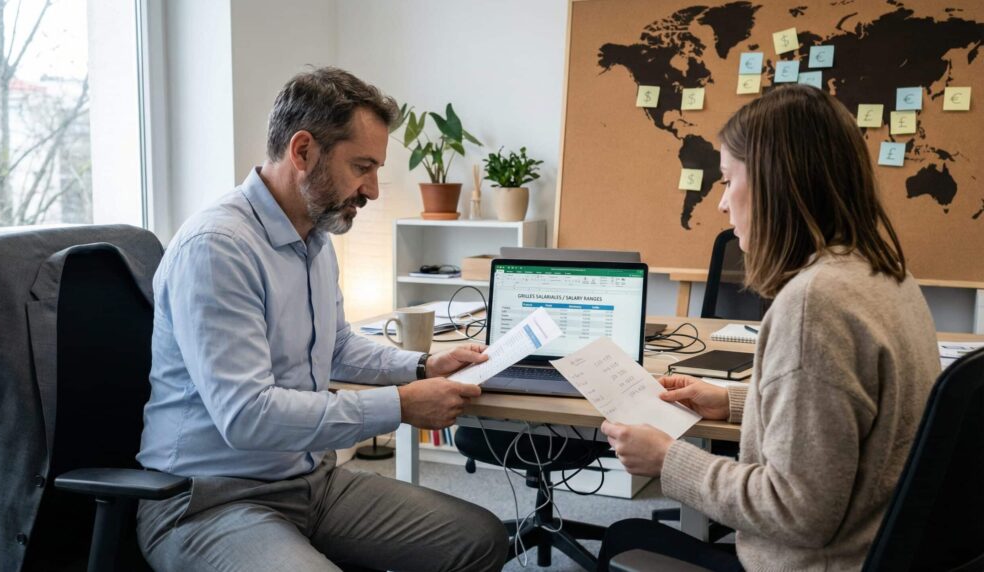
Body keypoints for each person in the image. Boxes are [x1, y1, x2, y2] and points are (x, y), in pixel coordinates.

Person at [136, 67, 508, 572]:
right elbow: (248, 416)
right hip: (209, 503)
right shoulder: (218, 249)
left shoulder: (313, 238)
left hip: (311, 482)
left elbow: (336, 348)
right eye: (362, 167)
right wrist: (399, 406)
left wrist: (423, 365)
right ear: (303, 151)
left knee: (478, 538)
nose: (373, 190)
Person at [598, 84, 940, 571]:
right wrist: (736, 401)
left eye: (726, 180)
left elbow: (798, 511)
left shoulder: (814, 303)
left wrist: (667, 461)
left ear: (771, 182)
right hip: (881, 546)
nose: (720, 205)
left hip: (816, 562)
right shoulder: (883, 271)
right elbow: (849, 419)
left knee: (621, 539)